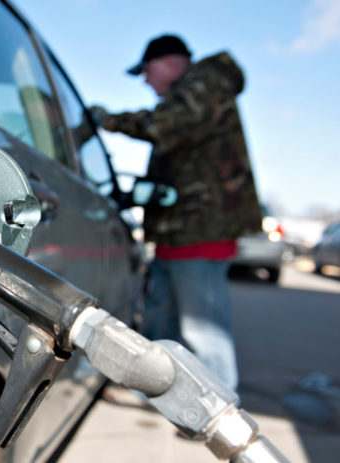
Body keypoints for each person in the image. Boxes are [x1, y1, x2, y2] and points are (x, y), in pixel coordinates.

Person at [88, 34, 261, 391]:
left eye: (146, 71)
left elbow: (164, 124)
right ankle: (163, 393)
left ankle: (216, 408)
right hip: (176, 233)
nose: (146, 81)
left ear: (168, 63)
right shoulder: (197, 92)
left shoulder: (206, 83)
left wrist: (107, 120)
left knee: (203, 329)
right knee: (160, 321)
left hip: (200, 233)